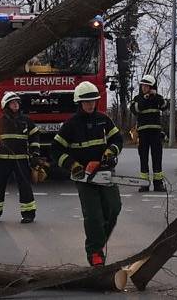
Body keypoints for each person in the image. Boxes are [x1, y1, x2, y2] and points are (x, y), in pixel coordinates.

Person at [53, 80, 123, 266]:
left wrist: (110, 152)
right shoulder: (71, 125)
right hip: (84, 177)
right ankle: (95, 252)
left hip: (105, 172)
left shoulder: (104, 120)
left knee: (113, 208)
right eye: (87, 101)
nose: (90, 104)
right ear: (79, 103)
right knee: (93, 215)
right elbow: (56, 150)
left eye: (93, 101)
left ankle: (98, 242)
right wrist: (73, 165)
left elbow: (117, 138)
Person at [0, 91, 38, 223]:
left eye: (17, 102)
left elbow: (34, 138)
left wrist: (35, 154)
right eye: (12, 103)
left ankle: (28, 214)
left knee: (25, 187)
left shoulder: (26, 121)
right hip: (2, 160)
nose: (16, 105)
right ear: (6, 105)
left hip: (21, 159)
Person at [130, 75, 168, 192]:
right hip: (143, 134)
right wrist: (145, 98)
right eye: (142, 85)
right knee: (143, 158)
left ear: (152, 87)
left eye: (146, 86)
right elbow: (135, 109)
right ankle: (144, 183)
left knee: (157, 158)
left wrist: (155, 96)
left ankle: (158, 183)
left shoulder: (157, 98)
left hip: (155, 133)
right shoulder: (138, 98)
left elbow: (165, 106)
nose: (144, 87)